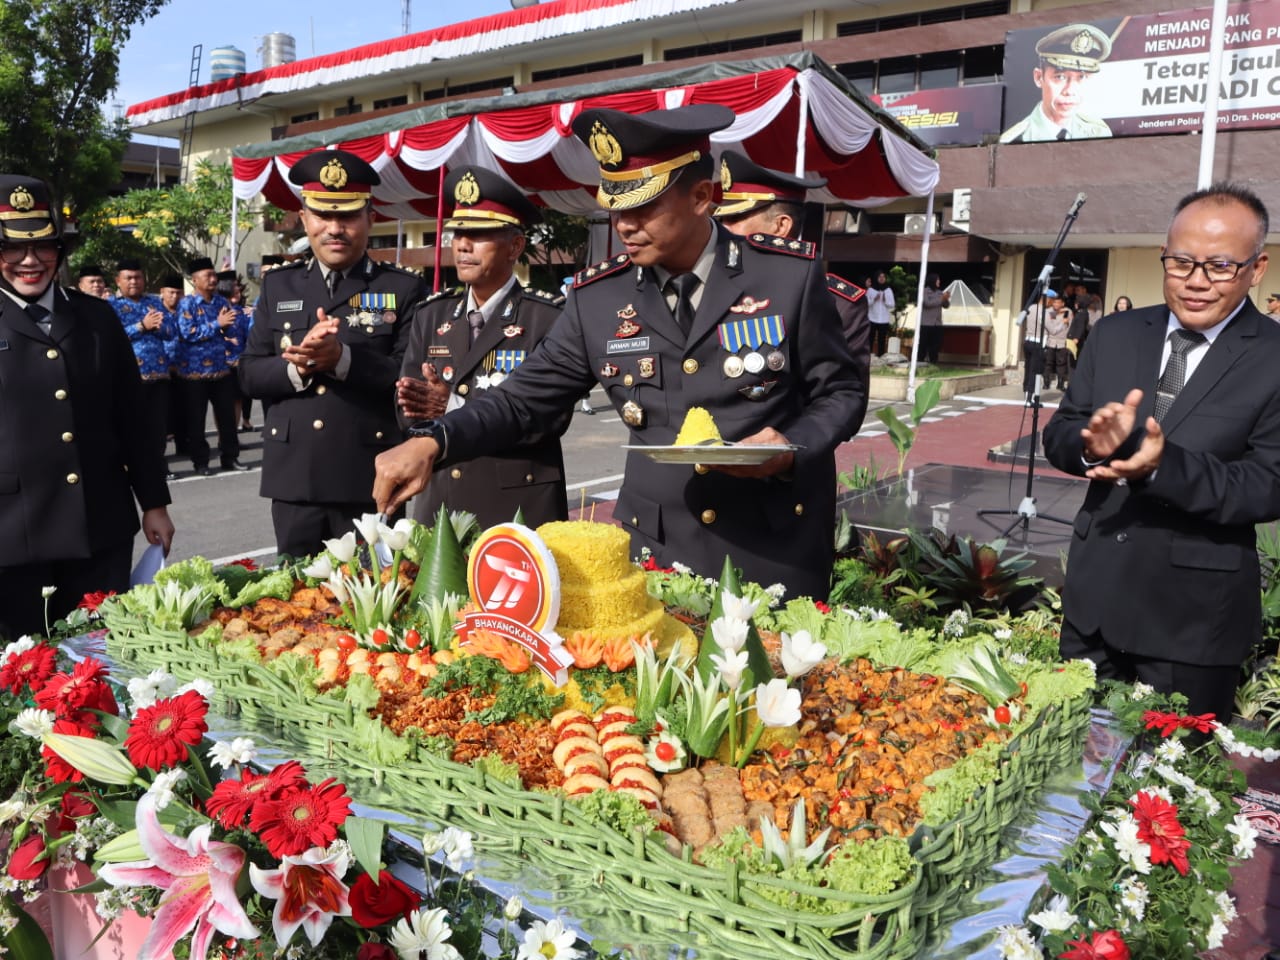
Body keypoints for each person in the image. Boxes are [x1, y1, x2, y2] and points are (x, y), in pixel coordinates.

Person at [373, 104, 867, 599]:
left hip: (772, 544)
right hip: (657, 552)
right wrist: (435, 440)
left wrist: (787, 448)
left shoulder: (787, 277)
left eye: (643, 206)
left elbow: (841, 391)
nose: (624, 225)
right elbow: (523, 398)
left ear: (702, 196)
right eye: (616, 207)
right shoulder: (599, 299)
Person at [1043, 182, 1280, 721]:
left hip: (1192, 622)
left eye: (1219, 267)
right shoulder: (1116, 334)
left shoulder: (1274, 357)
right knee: (1067, 772)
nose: (1196, 282)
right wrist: (1088, 447)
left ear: (1256, 267)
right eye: (1181, 263)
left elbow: (1269, 482)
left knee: (1165, 793)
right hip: (1092, 607)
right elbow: (1062, 431)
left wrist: (1160, 466)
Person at [0, 175, 174, 639]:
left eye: (44, 248)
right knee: (26, 683)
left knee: (103, 666)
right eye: (13, 248)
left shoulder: (97, 317)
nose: (30, 261)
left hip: (100, 526)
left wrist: (153, 502)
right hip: (13, 537)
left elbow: (134, 417)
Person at [239, 149, 426, 559]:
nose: (334, 229)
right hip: (295, 482)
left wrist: (342, 359)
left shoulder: (403, 288)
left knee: (376, 602)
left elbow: (407, 376)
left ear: (369, 218)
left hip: (369, 476)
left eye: (348, 217)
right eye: (323, 216)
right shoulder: (278, 286)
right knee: (296, 603)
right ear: (304, 219)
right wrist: (300, 367)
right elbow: (249, 374)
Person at [395, 165, 570, 529]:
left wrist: (454, 407)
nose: (462, 244)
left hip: (515, 504)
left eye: (479, 234)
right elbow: (406, 409)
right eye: (459, 233)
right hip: (442, 501)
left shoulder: (547, 318)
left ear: (515, 246)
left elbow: (549, 418)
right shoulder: (431, 315)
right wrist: (420, 407)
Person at [712, 149, 870, 399]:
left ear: (781, 226)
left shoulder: (838, 302)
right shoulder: (705, 286)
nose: (723, 229)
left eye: (735, 218)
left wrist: (784, 438)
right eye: (720, 220)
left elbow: (844, 398)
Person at [174, 257, 249, 476]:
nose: (213, 279)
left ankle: (230, 457)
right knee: (196, 421)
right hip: (194, 373)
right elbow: (188, 333)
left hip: (220, 370)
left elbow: (232, 332)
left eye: (214, 275)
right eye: (208, 275)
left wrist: (228, 329)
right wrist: (218, 324)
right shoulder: (186, 304)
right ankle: (201, 462)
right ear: (195, 280)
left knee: (227, 419)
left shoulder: (221, 303)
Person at [109, 258, 176, 477]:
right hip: (129, 378)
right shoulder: (110, 305)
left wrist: (158, 327)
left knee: (158, 428)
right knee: (131, 427)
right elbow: (112, 338)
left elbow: (170, 332)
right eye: (128, 278)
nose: (134, 282)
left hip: (158, 375)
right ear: (118, 281)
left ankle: (158, 465)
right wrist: (141, 326)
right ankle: (132, 466)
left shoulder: (155, 303)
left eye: (138, 277)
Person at [999, 23, 1113, 143]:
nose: (1070, 91)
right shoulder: (1015, 140)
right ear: (1038, 77)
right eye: (1060, 77)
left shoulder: (1099, 132)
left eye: (1081, 77)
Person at [217, 269, 255, 433]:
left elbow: (251, 337)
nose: (238, 290)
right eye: (235, 287)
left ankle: (232, 436)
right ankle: (222, 437)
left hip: (239, 363)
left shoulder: (243, 312)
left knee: (237, 400)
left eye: (239, 288)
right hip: (220, 363)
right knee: (222, 403)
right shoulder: (214, 310)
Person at [157, 272, 189, 460]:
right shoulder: (155, 310)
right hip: (163, 370)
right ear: (162, 292)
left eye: (178, 293)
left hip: (184, 368)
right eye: (171, 292)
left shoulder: (186, 311)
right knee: (164, 413)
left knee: (184, 410)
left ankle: (184, 445)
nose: (174, 296)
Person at [917, 272, 950, 365]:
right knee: (923, 344)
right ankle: (920, 363)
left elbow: (946, 306)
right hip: (926, 323)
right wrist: (941, 299)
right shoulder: (924, 291)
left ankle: (933, 363)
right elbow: (927, 303)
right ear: (932, 280)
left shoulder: (940, 292)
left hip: (937, 323)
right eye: (937, 279)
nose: (939, 281)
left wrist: (946, 299)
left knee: (936, 344)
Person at [1041, 292, 1071, 390]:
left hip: (1062, 341)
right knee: (1048, 362)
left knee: (1061, 363)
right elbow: (1052, 326)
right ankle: (1046, 383)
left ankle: (1060, 383)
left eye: (1058, 303)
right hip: (1051, 341)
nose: (1056, 305)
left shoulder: (1068, 311)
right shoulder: (1049, 311)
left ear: (1063, 303)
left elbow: (1069, 324)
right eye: (1054, 302)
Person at [866, 271, 895, 356]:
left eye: (883, 277)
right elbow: (866, 303)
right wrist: (874, 299)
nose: (882, 278)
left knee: (882, 340)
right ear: (876, 278)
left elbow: (892, 305)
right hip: (872, 318)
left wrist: (885, 301)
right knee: (870, 339)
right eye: (880, 277)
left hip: (883, 319)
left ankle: (881, 357)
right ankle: (869, 357)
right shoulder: (870, 290)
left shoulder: (888, 290)